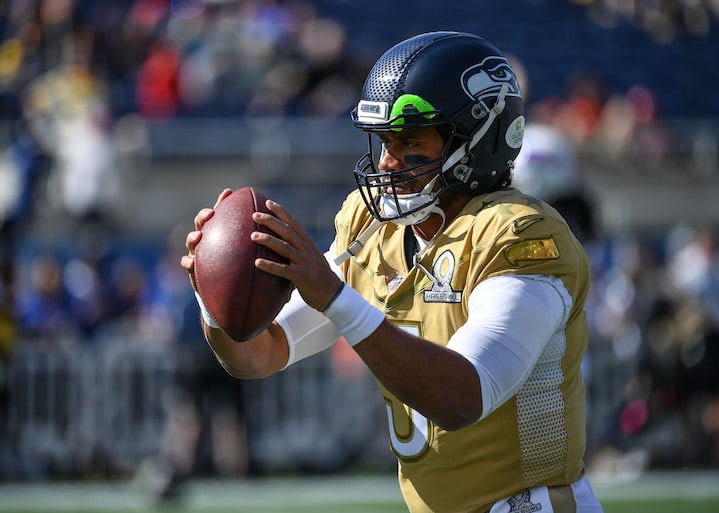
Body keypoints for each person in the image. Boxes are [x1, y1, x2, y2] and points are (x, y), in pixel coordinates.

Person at [181, 31, 604, 513]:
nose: (387, 161)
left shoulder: (521, 236)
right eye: (385, 140)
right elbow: (260, 354)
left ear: (476, 141)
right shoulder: (372, 230)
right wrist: (215, 298)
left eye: (410, 141)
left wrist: (335, 297)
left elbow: (462, 397)